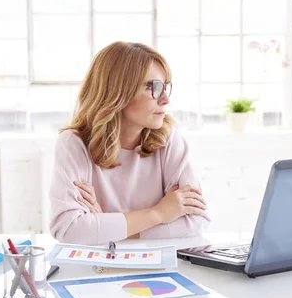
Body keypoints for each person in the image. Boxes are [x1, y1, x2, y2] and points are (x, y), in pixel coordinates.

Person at [48, 41, 209, 244]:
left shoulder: (168, 139)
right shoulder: (74, 144)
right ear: (117, 92)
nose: (165, 99)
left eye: (165, 87)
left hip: (158, 268)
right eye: (154, 87)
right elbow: (69, 230)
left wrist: (104, 224)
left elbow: (196, 222)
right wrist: (158, 214)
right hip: (98, 268)